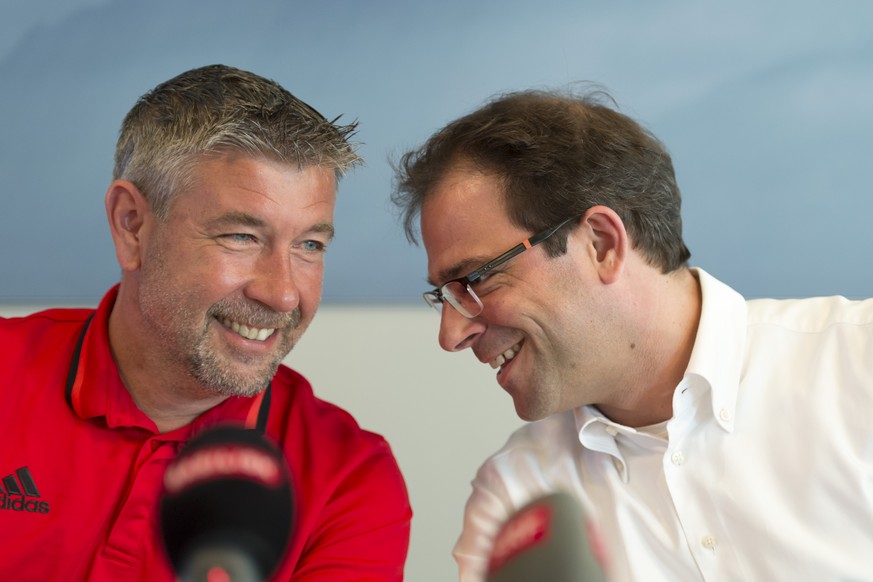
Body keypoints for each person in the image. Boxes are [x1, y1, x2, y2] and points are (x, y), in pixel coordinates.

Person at [391, 89, 873, 581]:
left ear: (601, 243)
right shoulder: (517, 498)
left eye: (475, 279)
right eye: (444, 296)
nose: (450, 335)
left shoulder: (859, 365)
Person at [0, 64, 411, 581]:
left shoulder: (349, 477)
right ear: (132, 226)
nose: (283, 293)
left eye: (310, 245)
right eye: (241, 236)